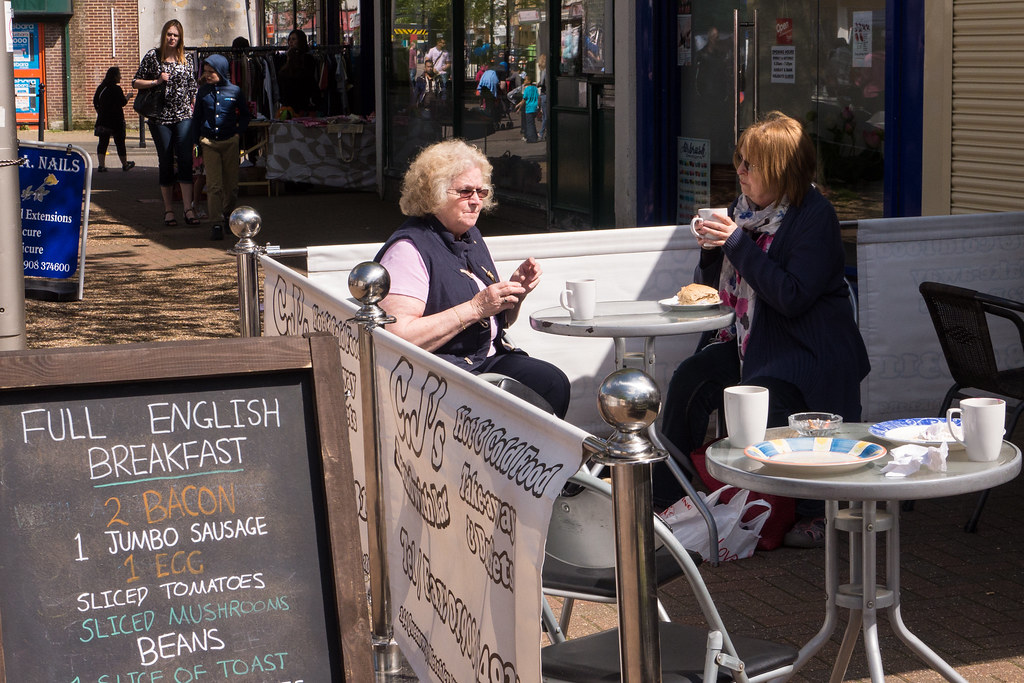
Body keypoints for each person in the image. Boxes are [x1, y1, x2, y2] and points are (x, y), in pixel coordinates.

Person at [658, 111, 870, 548]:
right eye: (740, 160)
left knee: (765, 404)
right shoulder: (746, 212)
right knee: (689, 380)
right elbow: (720, 288)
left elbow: (792, 295)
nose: (739, 172)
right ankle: (669, 496)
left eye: (750, 164)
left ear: (781, 171)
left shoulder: (815, 216)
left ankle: (816, 511)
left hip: (809, 355)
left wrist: (734, 242)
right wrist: (713, 251)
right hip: (752, 343)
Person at [375, 140, 570, 418]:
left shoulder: (470, 236)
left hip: (482, 358)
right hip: (442, 373)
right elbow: (398, 337)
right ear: (434, 194)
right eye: (465, 191)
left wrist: (515, 294)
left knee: (551, 382)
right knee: (544, 385)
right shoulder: (409, 249)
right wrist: (476, 307)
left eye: (482, 191)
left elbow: (494, 322)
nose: (477, 200)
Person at [132, 19, 199, 227]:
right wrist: (156, 81)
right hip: (160, 117)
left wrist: (195, 109)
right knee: (166, 160)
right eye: (169, 34)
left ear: (180, 38)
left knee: (186, 159)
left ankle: (188, 208)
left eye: (176, 35)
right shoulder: (153, 56)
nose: (172, 38)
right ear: (164, 35)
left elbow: (192, 87)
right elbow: (135, 82)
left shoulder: (187, 58)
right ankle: (169, 210)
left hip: (183, 116)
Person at [192, 54, 251, 241]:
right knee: (214, 186)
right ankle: (215, 223)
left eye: (212, 72)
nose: (208, 75)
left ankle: (227, 214)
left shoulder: (234, 91)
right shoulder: (203, 92)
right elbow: (196, 119)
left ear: (221, 71)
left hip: (230, 143)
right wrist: (197, 141)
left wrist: (237, 133)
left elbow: (245, 115)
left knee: (231, 186)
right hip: (209, 143)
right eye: (206, 72)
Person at [92, 66, 134, 173]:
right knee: (120, 142)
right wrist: (128, 96)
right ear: (115, 76)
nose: (121, 77)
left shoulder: (101, 88)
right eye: (119, 75)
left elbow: (95, 101)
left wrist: (100, 112)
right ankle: (125, 164)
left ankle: (101, 165)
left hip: (103, 120)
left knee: (103, 142)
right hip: (116, 120)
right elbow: (122, 103)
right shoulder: (116, 89)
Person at [276, 29, 320, 117]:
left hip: (303, 104)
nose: (291, 42)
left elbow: (309, 81)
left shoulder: (307, 59)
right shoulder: (283, 59)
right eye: (289, 39)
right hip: (288, 105)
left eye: (294, 39)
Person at [516, 73, 539, 143]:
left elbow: (524, 100)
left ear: (528, 81)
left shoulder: (526, 89)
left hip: (529, 108)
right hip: (535, 107)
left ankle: (531, 138)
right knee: (533, 123)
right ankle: (535, 136)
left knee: (529, 124)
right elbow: (538, 97)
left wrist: (519, 108)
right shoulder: (535, 88)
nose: (524, 81)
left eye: (525, 80)